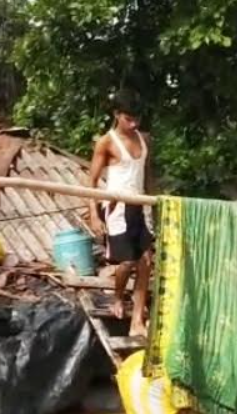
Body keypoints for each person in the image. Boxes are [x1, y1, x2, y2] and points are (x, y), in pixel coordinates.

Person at [88, 88, 154, 338]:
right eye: (128, 118)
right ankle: (118, 296)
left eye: (137, 118)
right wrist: (94, 214)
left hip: (141, 206)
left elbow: (147, 174)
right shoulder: (106, 142)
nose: (133, 123)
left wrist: (153, 202)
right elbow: (92, 181)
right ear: (117, 115)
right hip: (117, 207)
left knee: (146, 262)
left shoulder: (145, 139)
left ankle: (137, 320)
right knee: (127, 262)